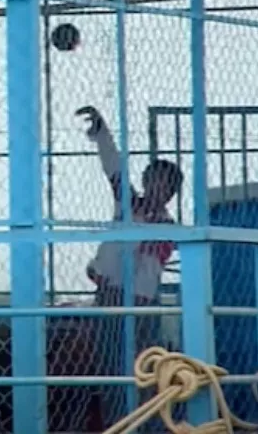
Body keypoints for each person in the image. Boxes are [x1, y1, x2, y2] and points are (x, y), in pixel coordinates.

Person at [76, 105, 182, 428]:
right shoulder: (129, 205)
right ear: (146, 181)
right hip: (110, 296)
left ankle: (144, 424)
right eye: (152, 181)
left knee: (141, 370)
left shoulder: (169, 227)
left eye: (164, 185)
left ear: (171, 193)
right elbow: (114, 169)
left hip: (140, 304)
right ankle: (114, 423)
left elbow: (144, 260)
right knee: (108, 369)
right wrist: (101, 134)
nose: (156, 189)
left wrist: (101, 264)